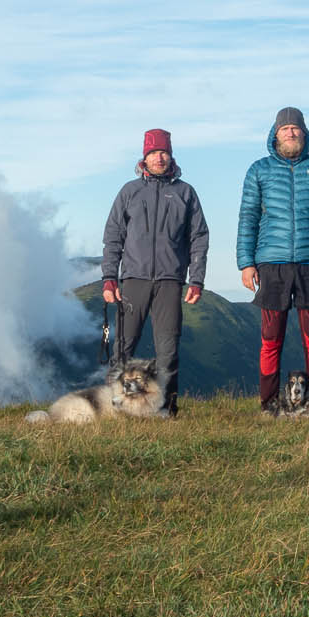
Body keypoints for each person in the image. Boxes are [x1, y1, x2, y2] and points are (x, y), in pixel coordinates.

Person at [237, 106, 309, 415]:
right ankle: (268, 404)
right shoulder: (258, 170)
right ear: (275, 133)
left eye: (296, 128)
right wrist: (246, 263)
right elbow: (248, 219)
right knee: (270, 340)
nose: (290, 132)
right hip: (271, 265)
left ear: (304, 133)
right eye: (285, 128)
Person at [100, 128, 208, 417]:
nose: (159, 157)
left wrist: (196, 279)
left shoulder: (185, 193)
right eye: (153, 153)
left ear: (171, 156)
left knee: (168, 351)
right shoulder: (129, 191)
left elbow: (198, 236)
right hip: (133, 280)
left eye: (164, 152)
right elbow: (113, 236)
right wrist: (109, 278)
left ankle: (166, 410)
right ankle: (116, 408)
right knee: (122, 348)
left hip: (170, 282)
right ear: (144, 158)